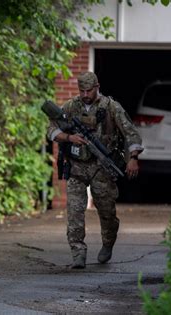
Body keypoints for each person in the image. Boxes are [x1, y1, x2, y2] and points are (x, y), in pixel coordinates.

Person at [47, 71, 143, 269]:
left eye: (88, 90)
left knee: (107, 212)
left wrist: (133, 158)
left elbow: (130, 132)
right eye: (81, 90)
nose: (84, 94)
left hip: (102, 168)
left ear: (97, 87)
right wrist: (69, 138)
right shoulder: (71, 107)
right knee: (74, 211)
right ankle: (78, 253)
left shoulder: (111, 108)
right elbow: (51, 130)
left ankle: (108, 243)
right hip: (76, 167)